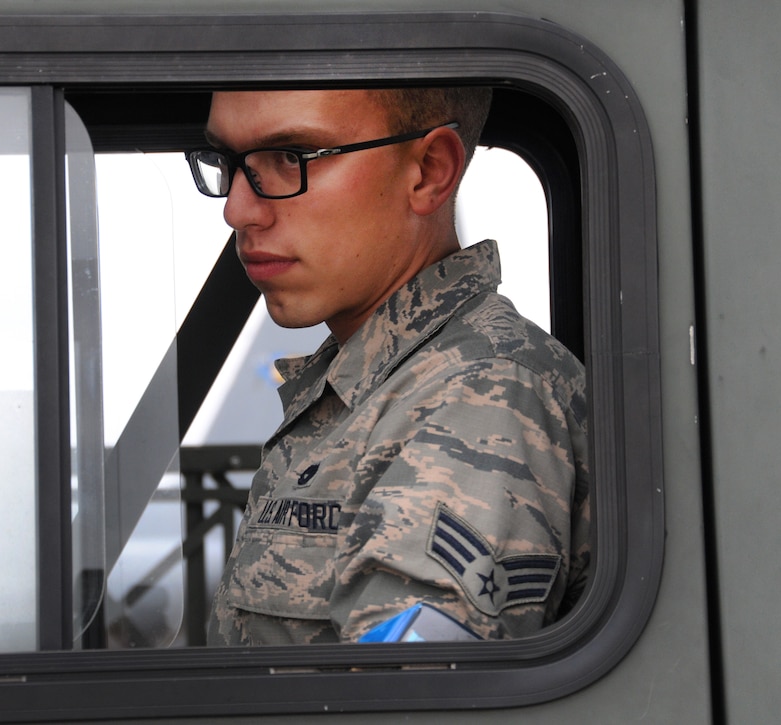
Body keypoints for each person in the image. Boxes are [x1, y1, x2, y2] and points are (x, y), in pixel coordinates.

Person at [187, 87, 590, 645]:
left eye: (290, 158)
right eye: (228, 163)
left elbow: (408, 694)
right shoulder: (384, 381)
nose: (237, 209)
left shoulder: (475, 396)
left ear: (428, 172)